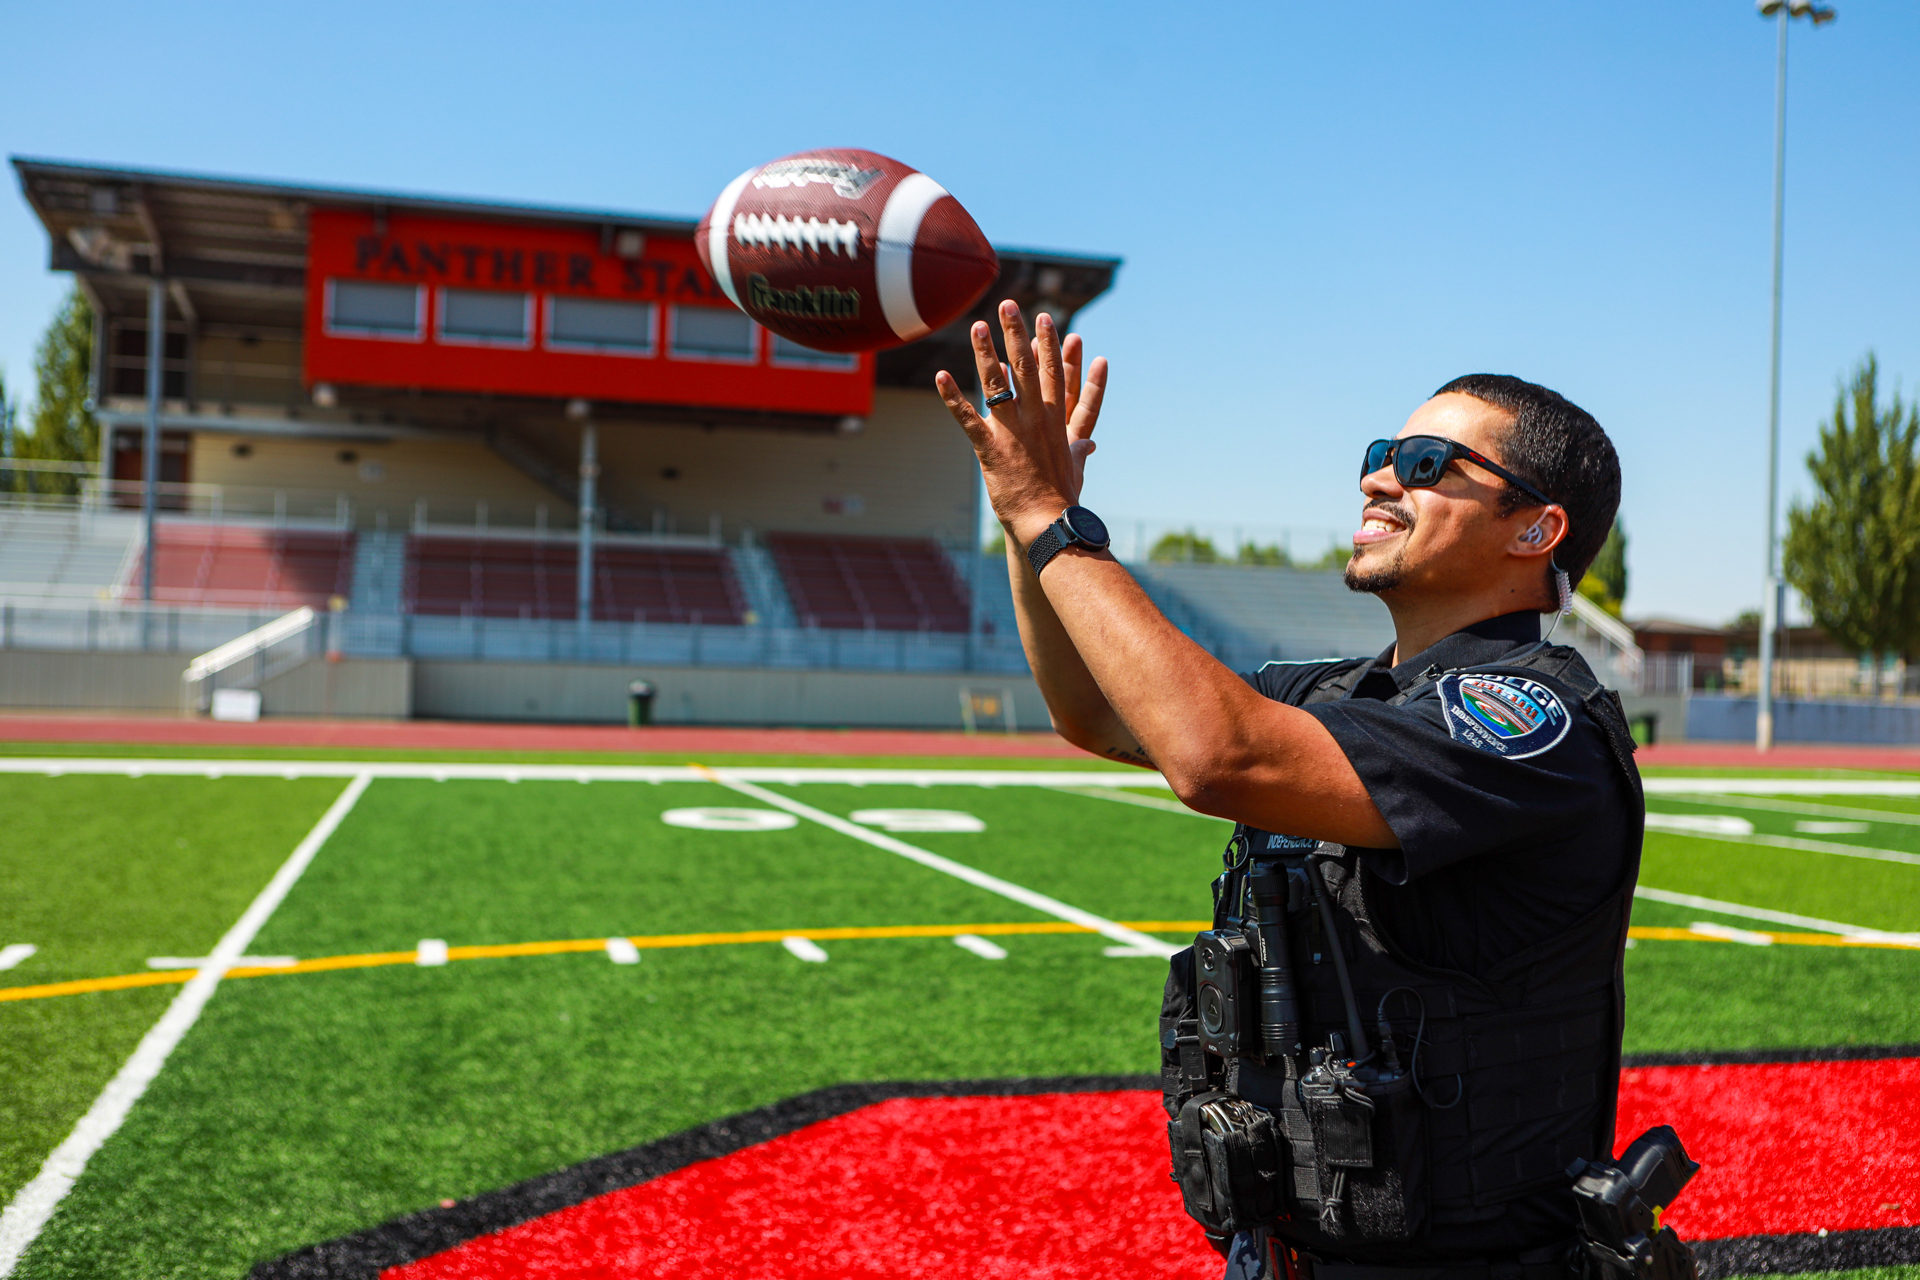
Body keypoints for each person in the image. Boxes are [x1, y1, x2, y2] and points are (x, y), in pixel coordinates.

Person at [936, 303, 1643, 1280]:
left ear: (1537, 526)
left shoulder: (1531, 719)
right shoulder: (1338, 693)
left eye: (1428, 462)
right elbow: (1096, 714)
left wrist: (1051, 520)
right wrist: (1022, 524)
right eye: (1382, 450)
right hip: (1285, 1250)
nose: (1378, 475)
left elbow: (1216, 757)